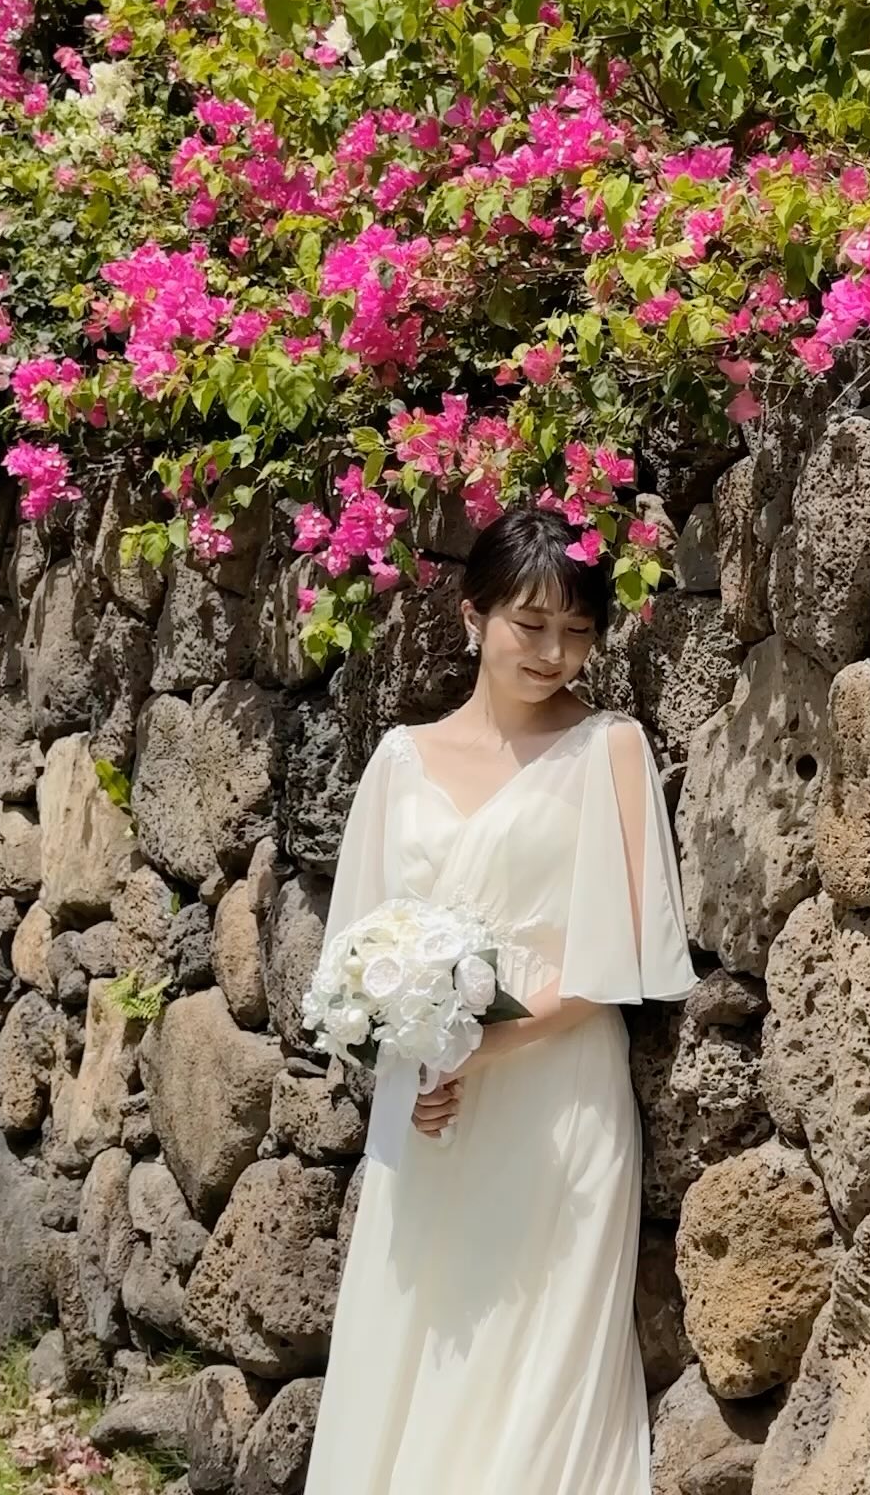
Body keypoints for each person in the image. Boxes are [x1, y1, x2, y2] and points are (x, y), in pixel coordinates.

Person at [303, 504, 697, 1495]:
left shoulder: (611, 747)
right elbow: (356, 961)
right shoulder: (398, 763)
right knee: (419, 1350)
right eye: (531, 623)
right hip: (432, 1109)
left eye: (577, 630)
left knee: (538, 1370)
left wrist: (485, 1043)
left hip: (558, 1102)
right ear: (474, 615)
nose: (554, 651)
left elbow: (627, 958)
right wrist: (402, 1065)